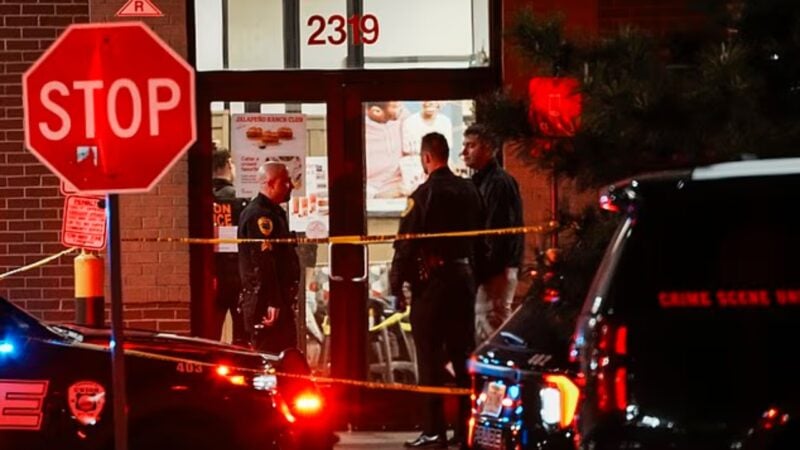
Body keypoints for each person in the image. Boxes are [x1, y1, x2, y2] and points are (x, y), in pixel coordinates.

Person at [390, 132, 486, 449]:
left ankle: (434, 431)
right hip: (464, 280)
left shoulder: (422, 195)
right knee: (463, 356)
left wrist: (396, 286)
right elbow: (483, 238)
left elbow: (405, 245)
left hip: (431, 285)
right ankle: (466, 428)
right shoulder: (470, 191)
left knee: (429, 357)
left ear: (427, 157)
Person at [461, 124, 525, 344]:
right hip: (492, 268)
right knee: (487, 323)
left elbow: (497, 232)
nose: (464, 152)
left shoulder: (498, 183)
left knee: (491, 325)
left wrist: (484, 270)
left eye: (471, 146)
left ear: (488, 149)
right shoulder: (483, 182)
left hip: (495, 270)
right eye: (465, 145)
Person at [238, 162, 301, 353]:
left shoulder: (275, 212)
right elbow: (263, 261)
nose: (290, 186)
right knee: (270, 353)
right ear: (271, 183)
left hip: (278, 298)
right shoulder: (259, 215)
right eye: (285, 182)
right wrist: (272, 301)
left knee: (286, 353)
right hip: (265, 301)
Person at [211, 147, 249, 346]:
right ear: (227, 164)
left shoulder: (204, 199)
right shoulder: (239, 199)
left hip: (211, 274)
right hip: (237, 272)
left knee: (211, 333)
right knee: (241, 333)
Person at [400, 101, 453, 195]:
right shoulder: (409, 122)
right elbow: (407, 150)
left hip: (438, 167)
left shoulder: (445, 122)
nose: (429, 103)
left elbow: (447, 149)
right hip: (414, 167)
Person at [365, 101, 405, 199]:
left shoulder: (401, 118)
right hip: (374, 195)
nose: (401, 108)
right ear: (376, 111)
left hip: (402, 188)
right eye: (395, 106)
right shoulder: (358, 131)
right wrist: (376, 195)